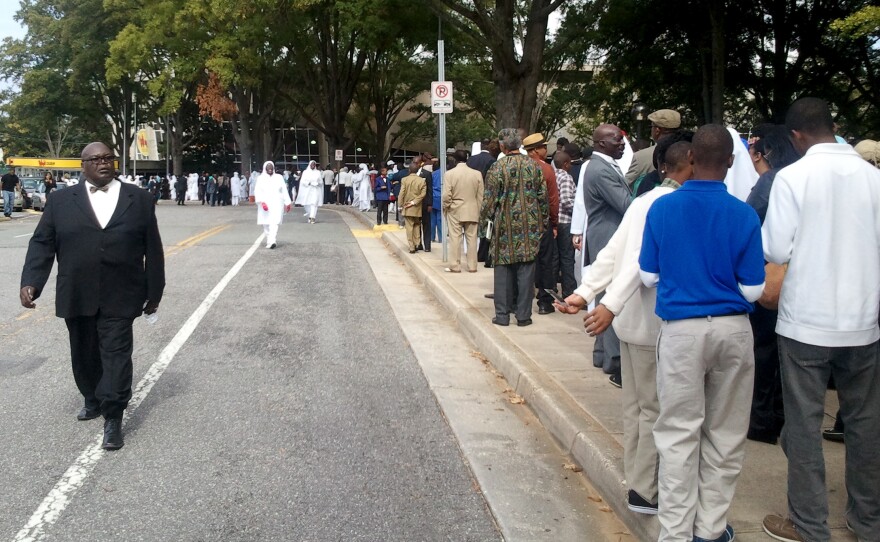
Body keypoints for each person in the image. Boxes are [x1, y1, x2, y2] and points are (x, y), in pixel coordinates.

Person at [760, 98, 880, 542]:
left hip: (806, 321)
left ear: (796, 136)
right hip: (863, 319)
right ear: (834, 126)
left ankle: (808, 524)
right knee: (865, 425)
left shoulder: (793, 177)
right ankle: (868, 521)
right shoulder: (873, 177)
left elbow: (776, 249)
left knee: (804, 424)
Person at [639, 124, 765, 542]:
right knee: (725, 433)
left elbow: (648, 274)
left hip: (681, 330)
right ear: (730, 161)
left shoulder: (662, 208)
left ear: (690, 158)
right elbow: (754, 289)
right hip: (733, 330)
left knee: (678, 433)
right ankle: (709, 530)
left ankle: (675, 532)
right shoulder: (744, 213)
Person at [557, 140, 693, 518]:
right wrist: (606, 304)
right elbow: (637, 262)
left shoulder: (643, 200)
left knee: (636, 406)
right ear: (689, 164)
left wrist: (585, 292)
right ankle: (646, 490)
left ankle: (637, 478)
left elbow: (612, 253)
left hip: (629, 320)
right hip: (650, 319)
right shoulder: (672, 205)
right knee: (653, 409)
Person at [19, 142, 165, 450]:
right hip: (77, 290)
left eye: (108, 158)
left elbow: (152, 247)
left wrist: (154, 291)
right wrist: (31, 281)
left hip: (122, 292)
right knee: (83, 352)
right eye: (95, 159)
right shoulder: (60, 201)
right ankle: (92, 397)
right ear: (83, 166)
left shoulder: (139, 199)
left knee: (116, 355)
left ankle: (113, 416)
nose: (103, 163)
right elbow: (42, 242)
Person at [743, 125, 800, 446]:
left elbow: (749, 219)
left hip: (771, 272)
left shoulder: (771, 181)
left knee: (764, 349)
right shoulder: (801, 177)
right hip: (801, 274)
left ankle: (762, 420)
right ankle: (780, 414)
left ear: (765, 153)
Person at [479, 128, 548, 327]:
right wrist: (542, 223)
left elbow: (489, 200)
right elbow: (543, 197)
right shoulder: (534, 166)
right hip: (530, 227)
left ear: (502, 146)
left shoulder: (497, 168)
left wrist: (484, 224)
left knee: (503, 271)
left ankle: (502, 315)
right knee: (526, 271)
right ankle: (524, 316)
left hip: (504, 227)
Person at [585, 123, 632, 386]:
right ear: (602, 143)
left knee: (605, 295)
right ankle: (613, 358)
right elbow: (625, 204)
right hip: (608, 237)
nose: (622, 143)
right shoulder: (601, 169)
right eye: (617, 140)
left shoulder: (604, 165)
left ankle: (602, 352)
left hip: (605, 235)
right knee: (612, 297)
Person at [522, 133, 560, 315]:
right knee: (545, 263)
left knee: (523, 262)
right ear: (536, 150)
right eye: (544, 146)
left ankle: (520, 300)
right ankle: (545, 302)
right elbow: (553, 200)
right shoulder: (546, 169)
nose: (546, 149)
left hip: (521, 223)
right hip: (541, 222)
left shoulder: (519, 167)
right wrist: (554, 222)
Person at [442, 149, 484, 273]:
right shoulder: (477, 174)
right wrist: (478, 209)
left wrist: (447, 206)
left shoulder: (449, 174)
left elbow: (446, 195)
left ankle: (455, 265)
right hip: (472, 209)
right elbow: (480, 195)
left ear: (455, 159)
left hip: (455, 209)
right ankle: (472, 266)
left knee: (455, 238)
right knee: (472, 239)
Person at [625, 109, 681, 185]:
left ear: (657, 130)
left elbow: (626, 186)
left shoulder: (641, 157)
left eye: (651, 126)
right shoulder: (690, 151)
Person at [552, 152, 577, 298]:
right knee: (567, 258)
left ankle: (551, 289)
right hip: (565, 222)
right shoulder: (566, 177)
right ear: (566, 164)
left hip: (555, 222)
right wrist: (579, 213)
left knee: (554, 258)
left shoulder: (552, 175)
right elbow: (567, 200)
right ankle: (569, 292)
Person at [255, 161, 292, 247]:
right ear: (265, 168)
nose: (270, 169)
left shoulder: (279, 177)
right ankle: (269, 240)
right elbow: (257, 191)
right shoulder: (260, 178)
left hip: (277, 202)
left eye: (271, 167)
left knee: (274, 222)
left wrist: (287, 202)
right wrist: (261, 202)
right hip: (265, 203)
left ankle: (272, 241)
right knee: (266, 223)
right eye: (268, 167)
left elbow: (284, 190)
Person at [398, 162, 426, 253]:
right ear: (417, 170)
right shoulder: (422, 181)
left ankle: (411, 246)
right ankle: (417, 242)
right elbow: (423, 194)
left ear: (409, 170)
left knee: (409, 227)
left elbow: (401, 193)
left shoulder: (404, 180)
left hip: (407, 206)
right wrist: (414, 202)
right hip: (417, 207)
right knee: (417, 225)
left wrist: (400, 205)